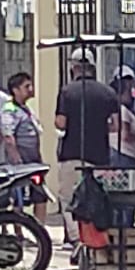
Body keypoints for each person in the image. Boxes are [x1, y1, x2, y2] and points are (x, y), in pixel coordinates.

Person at [55, 52, 121, 241]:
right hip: (100, 156)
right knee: (96, 201)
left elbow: (61, 122)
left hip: (72, 155)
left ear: (73, 67)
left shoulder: (67, 92)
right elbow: (116, 125)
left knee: (69, 200)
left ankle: (78, 240)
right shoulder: (108, 92)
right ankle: (97, 239)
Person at [2, 72, 49, 222]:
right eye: (26, 86)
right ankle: (19, 234)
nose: (31, 89)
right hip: (21, 163)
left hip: (34, 161)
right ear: (15, 90)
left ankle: (40, 229)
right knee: (18, 198)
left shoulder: (26, 109)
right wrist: (16, 160)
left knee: (40, 195)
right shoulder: (10, 109)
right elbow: (8, 136)